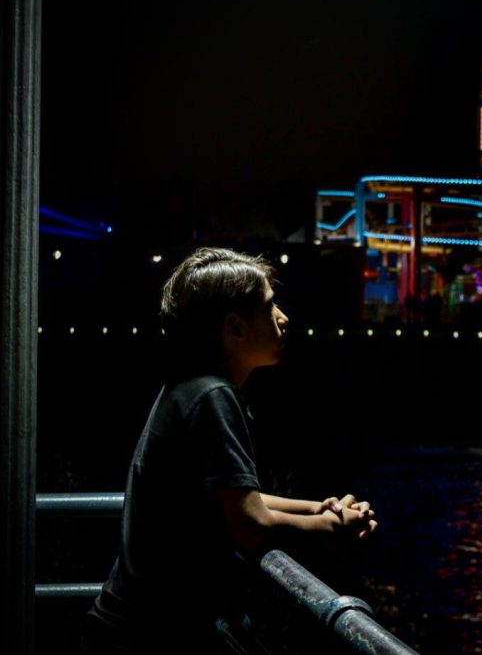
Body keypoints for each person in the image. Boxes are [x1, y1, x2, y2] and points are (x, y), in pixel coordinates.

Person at [82, 247, 377, 654]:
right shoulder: (214, 397)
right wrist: (337, 527)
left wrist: (316, 509)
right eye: (271, 306)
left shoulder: (188, 388)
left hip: (134, 623)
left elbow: (232, 496)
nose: (283, 317)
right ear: (235, 327)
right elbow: (250, 524)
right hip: (158, 633)